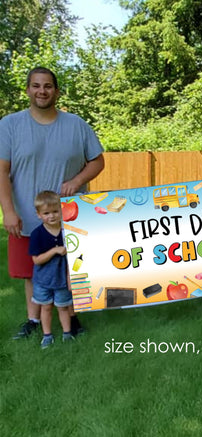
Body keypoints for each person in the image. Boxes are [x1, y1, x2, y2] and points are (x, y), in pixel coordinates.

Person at [0, 66, 104, 338]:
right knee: (30, 271)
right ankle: (34, 321)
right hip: (27, 214)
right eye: (36, 85)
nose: (41, 91)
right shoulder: (9, 125)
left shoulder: (77, 125)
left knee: (74, 269)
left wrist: (77, 180)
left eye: (47, 86)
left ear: (57, 91)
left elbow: (97, 161)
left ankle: (73, 319)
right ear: (27, 90)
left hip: (69, 217)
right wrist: (8, 211)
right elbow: (1, 170)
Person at [29, 191, 73, 348]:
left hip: (61, 278)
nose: (52, 216)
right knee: (46, 307)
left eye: (55, 211)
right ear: (39, 215)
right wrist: (54, 251)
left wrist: (69, 277)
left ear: (61, 210)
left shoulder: (68, 231)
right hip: (43, 280)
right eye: (46, 213)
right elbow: (36, 260)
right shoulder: (37, 234)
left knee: (63, 307)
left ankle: (67, 333)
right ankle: (47, 335)